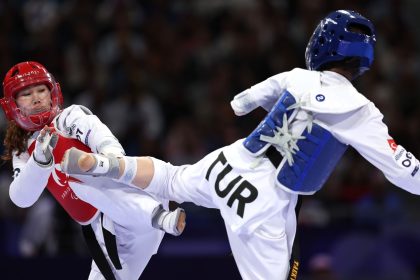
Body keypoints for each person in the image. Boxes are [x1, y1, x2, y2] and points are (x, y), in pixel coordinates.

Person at [61, 10, 420, 280]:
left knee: (171, 179)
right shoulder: (361, 111)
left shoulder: (298, 76)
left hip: (230, 162)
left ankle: (106, 164)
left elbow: (242, 101)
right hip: (262, 199)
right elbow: (403, 171)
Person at [0, 61, 186, 280]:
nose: (37, 97)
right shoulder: (23, 152)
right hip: (109, 235)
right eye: (26, 94)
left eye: (41, 90)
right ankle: (156, 217)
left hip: (136, 200)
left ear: (53, 93)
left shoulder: (69, 117)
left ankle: (158, 216)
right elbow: (21, 198)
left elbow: (102, 138)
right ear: (13, 105)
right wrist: (40, 160)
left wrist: (109, 162)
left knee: (73, 165)